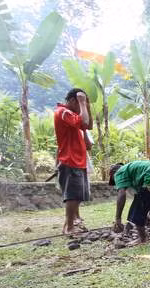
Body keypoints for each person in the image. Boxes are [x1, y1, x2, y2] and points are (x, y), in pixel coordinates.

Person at [54, 88, 92, 234]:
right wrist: (82, 102)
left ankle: (70, 224)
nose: (81, 107)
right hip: (70, 159)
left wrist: (86, 105)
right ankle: (69, 227)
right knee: (72, 196)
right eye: (79, 103)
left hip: (78, 160)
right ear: (71, 101)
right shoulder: (63, 112)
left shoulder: (72, 115)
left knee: (77, 195)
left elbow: (88, 125)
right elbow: (85, 121)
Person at [111, 160, 150, 244]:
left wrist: (118, 218)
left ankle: (143, 240)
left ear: (113, 173)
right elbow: (146, 197)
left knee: (136, 212)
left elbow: (122, 194)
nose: (116, 183)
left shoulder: (119, 172)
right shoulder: (132, 169)